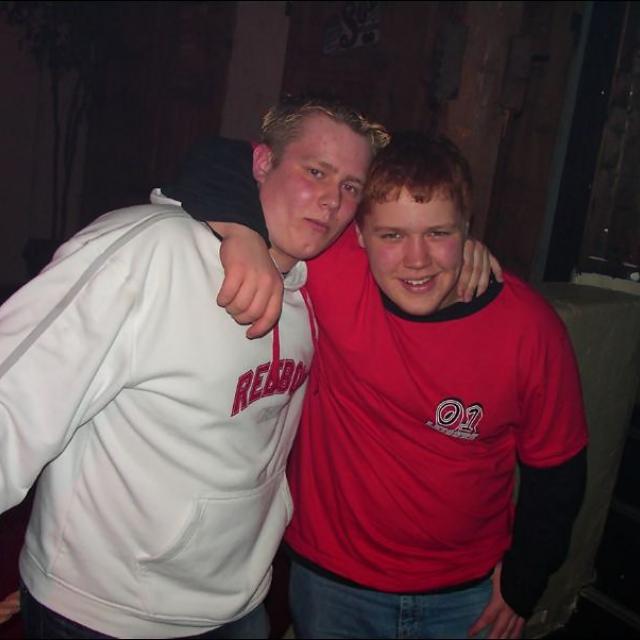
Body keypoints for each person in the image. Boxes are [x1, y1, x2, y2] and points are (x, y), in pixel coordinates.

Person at [0, 95, 388, 638]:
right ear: (261, 163)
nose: (331, 200)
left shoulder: (310, 286)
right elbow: (14, 396)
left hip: (239, 605)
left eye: (350, 186)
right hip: (104, 611)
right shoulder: (149, 250)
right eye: (316, 172)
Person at [185, 131, 588, 639]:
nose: (416, 259)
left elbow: (558, 470)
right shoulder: (333, 266)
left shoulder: (529, 328)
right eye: (392, 235)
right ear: (358, 234)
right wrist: (243, 234)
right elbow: (224, 158)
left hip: (468, 596)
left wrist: (524, 582)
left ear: (467, 229)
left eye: (438, 233)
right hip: (332, 586)